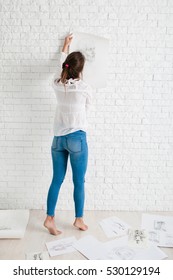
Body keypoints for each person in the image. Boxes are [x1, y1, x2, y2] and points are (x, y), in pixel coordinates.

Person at [44, 34, 92, 235]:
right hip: (76, 139)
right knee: (78, 181)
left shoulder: (57, 84)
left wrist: (65, 47)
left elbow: (60, 68)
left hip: (58, 139)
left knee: (57, 179)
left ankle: (49, 218)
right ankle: (79, 219)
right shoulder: (84, 88)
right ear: (80, 70)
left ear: (66, 66)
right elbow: (88, 108)